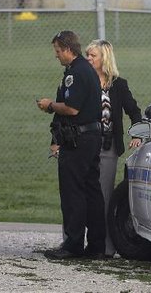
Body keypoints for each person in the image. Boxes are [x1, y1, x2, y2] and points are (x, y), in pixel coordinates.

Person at [37, 31, 105, 260]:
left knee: (73, 191)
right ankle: (97, 245)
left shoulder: (76, 73)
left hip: (79, 140)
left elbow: (72, 108)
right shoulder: (87, 71)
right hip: (92, 136)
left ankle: (73, 244)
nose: (56, 56)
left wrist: (49, 105)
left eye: (57, 51)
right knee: (91, 191)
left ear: (67, 49)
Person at [85, 39, 143, 258]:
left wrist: (137, 134)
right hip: (83, 147)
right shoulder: (83, 81)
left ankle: (107, 247)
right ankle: (75, 243)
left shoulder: (118, 85)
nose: (88, 59)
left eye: (93, 56)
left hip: (107, 147)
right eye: (87, 55)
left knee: (105, 196)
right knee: (79, 194)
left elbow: (134, 112)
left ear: (104, 59)